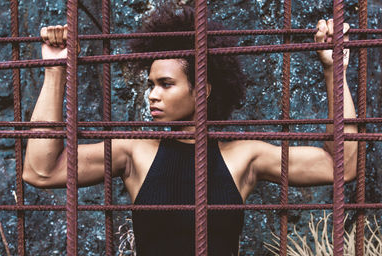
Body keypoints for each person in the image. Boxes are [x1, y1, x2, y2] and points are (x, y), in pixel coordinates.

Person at [22, 4, 358, 256]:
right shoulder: (133, 152)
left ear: (203, 90)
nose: (152, 94)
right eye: (151, 84)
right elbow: (41, 171)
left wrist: (334, 71)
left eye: (166, 84)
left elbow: (341, 165)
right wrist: (55, 69)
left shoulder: (244, 156)